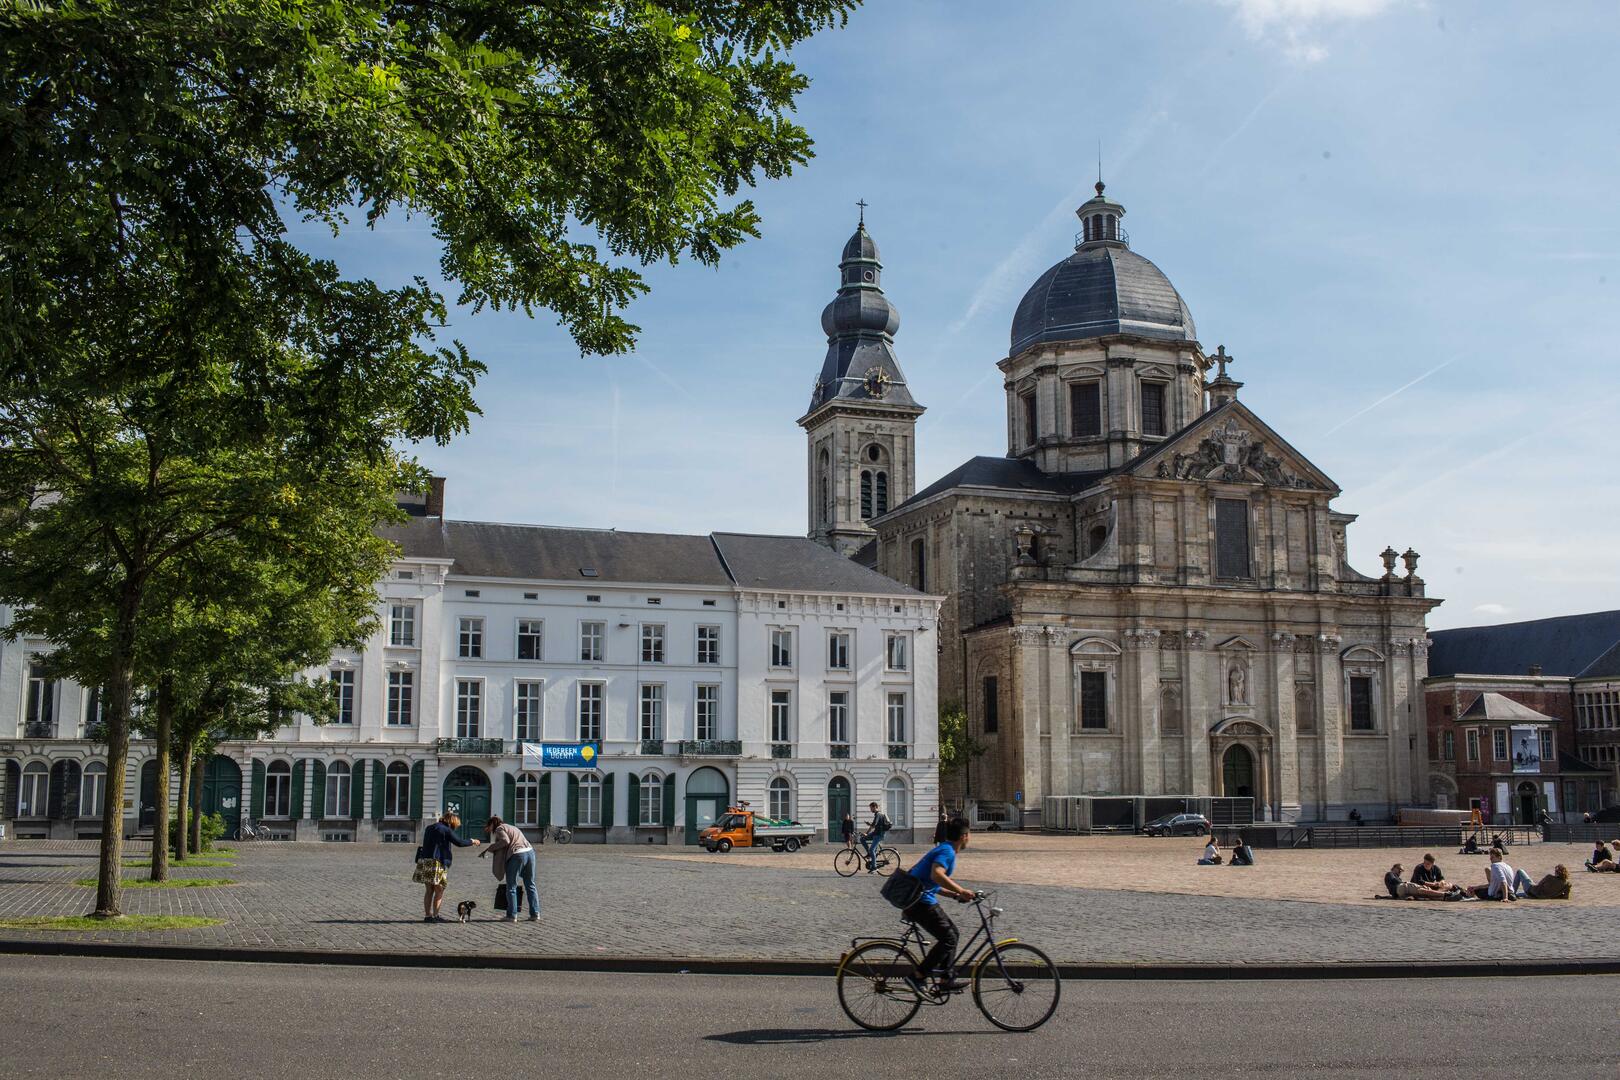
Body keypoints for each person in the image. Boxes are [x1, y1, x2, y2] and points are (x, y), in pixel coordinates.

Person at [900, 817, 977, 994]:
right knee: (949, 938)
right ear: (964, 836)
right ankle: (918, 976)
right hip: (919, 902)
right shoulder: (947, 852)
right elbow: (936, 874)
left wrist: (954, 895)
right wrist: (962, 890)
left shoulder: (945, 848)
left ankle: (945, 980)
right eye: (969, 834)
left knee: (953, 935)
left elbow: (931, 882)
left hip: (919, 899)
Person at [420, 811, 478, 922]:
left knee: (429, 890)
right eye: (456, 824)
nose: (456, 827)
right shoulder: (445, 829)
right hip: (437, 862)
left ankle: (428, 916)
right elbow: (460, 842)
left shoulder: (430, 827)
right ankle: (436, 916)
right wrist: (472, 841)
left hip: (425, 860)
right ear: (452, 822)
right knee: (439, 889)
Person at [480, 813, 539, 922]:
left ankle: (512, 915)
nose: (489, 831)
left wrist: (490, 848)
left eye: (488, 828)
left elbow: (505, 841)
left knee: (511, 886)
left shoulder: (499, 829)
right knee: (530, 884)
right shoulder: (512, 827)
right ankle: (535, 913)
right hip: (530, 852)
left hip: (518, 855)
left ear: (492, 824)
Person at [861, 801, 891, 873]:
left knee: (872, 850)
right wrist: (867, 830)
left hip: (879, 835)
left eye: (871, 808)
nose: (870, 810)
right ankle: (869, 854)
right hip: (875, 833)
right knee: (862, 839)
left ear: (875, 807)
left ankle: (874, 868)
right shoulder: (876, 815)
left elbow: (874, 825)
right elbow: (874, 825)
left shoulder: (878, 814)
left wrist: (867, 832)